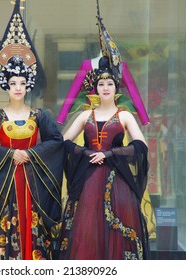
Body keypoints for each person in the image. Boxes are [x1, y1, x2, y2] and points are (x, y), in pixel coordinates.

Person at [0, 1, 64, 260]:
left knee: (32, 224)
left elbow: (56, 141)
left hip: (33, 181)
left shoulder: (39, 115)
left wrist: (31, 154)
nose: (18, 88)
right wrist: (8, 154)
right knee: (7, 223)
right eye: (13, 83)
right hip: (6, 182)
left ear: (28, 85)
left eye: (22, 83)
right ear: (6, 84)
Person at [58, 54, 150, 260]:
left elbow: (140, 145)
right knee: (86, 223)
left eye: (110, 83)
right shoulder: (85, 115)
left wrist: (110, 153)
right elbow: (64, 141)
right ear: (96, 88)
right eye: (101, 84)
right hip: (87, 177)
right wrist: (86, 152)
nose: (106, 87)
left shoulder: (124, 115)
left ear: (116, 87)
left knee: (116, 225)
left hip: (117, 181)